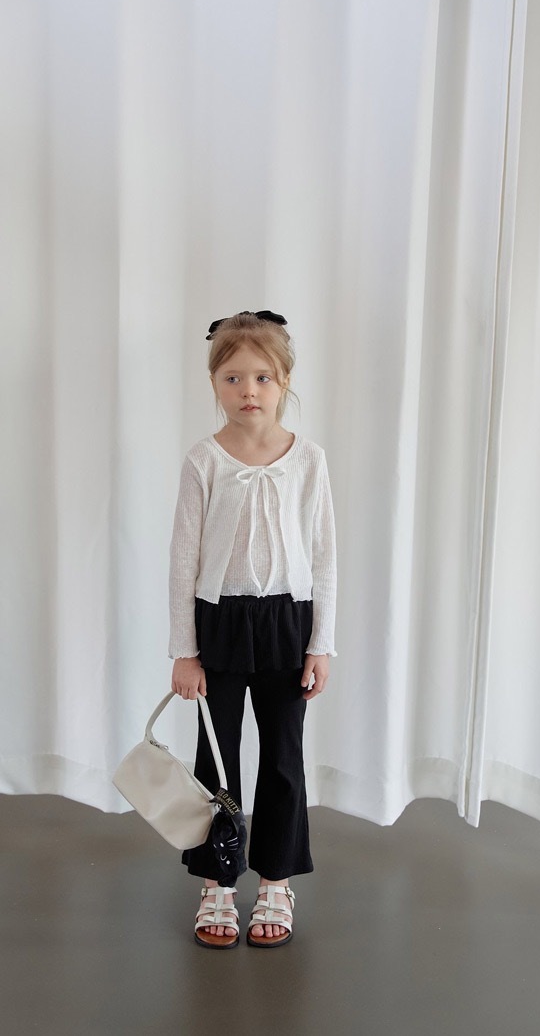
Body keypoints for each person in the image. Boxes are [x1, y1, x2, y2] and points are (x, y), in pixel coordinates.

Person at [169, 310, 337, 949]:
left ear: (284, 380)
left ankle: (275, 880)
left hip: (288, 623)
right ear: (214, 383)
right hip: (220, 623)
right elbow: (183, 560)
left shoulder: (309, 460)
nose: (248, 391)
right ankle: (217, 882)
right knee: (216, 757)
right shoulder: (203, 460)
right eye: (233, 377)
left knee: (283, 757)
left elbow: (324, 556)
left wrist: (320, 643)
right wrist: (185, 650)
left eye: (263, 377)